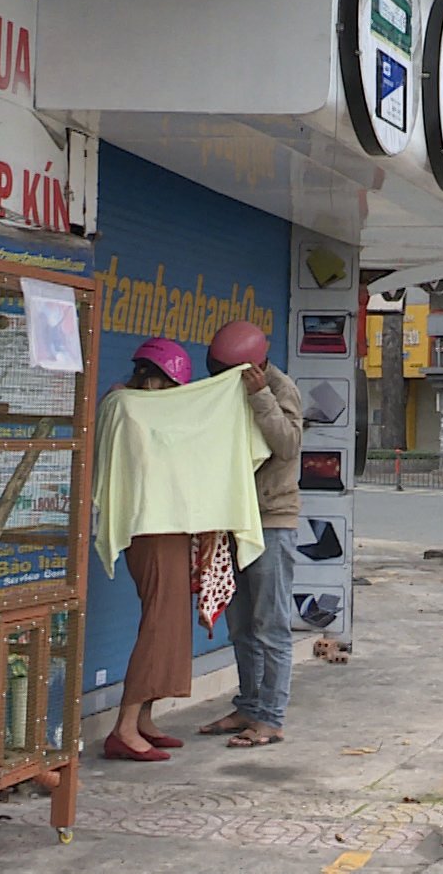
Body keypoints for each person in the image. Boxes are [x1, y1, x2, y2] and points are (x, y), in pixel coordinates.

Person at [197, 320, 303, 749]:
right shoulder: (224, 387)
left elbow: (288, 445)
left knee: (270, 624)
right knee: (241, 623)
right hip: (233, 518)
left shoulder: (280, 389)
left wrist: (260, 396)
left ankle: (272, 718)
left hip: (271, 519)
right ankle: (249, 705)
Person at [103, 337, 195, 762]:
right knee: (159, 620)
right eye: (168, 385)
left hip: (170, 522)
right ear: (151, 380)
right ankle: (123, 726)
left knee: (171, 620)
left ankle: (143, 718)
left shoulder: (139, 408)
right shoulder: (125, 408)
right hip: (150, 524)